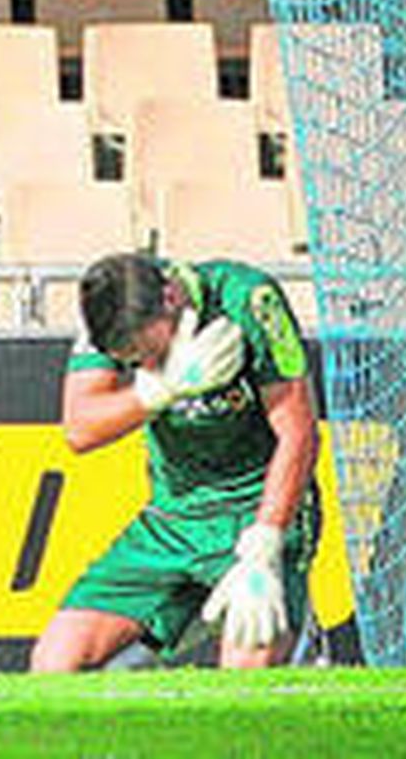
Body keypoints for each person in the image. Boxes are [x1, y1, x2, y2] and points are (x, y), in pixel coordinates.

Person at [30, 253, 321, 672]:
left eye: (149, 352)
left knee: (245, 676)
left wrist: (265, 545)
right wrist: (160, 389)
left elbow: (297, 432)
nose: (143, 365)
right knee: (55, 662)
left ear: (171, 297)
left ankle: (297, 635)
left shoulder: (247, 299)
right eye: (130, 362)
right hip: (172, 519)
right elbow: (80, 429)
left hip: (256, 510)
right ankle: (186, 614)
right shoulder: (109, 308)